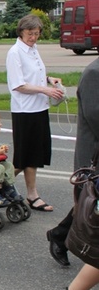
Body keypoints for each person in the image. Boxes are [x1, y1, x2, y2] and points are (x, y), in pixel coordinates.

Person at [6, 14, 65, 212]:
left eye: (37, 33)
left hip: (39, 107)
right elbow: (19, 84)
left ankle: (31, 194)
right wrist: (46, 90)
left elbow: (32, 74)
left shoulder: (33, 49)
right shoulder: (15, 52)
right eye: (30, 33)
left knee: (35, 154)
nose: (34, 37)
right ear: (21, 32)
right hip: (25, 110)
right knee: (24, 157)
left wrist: (48, 79)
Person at [47, 56, 99, 267]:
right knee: (89, 200)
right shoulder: (94, 74)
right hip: (93, 155)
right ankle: (61, 237)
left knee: (89, 202)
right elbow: (96, 118)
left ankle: (59, 235)